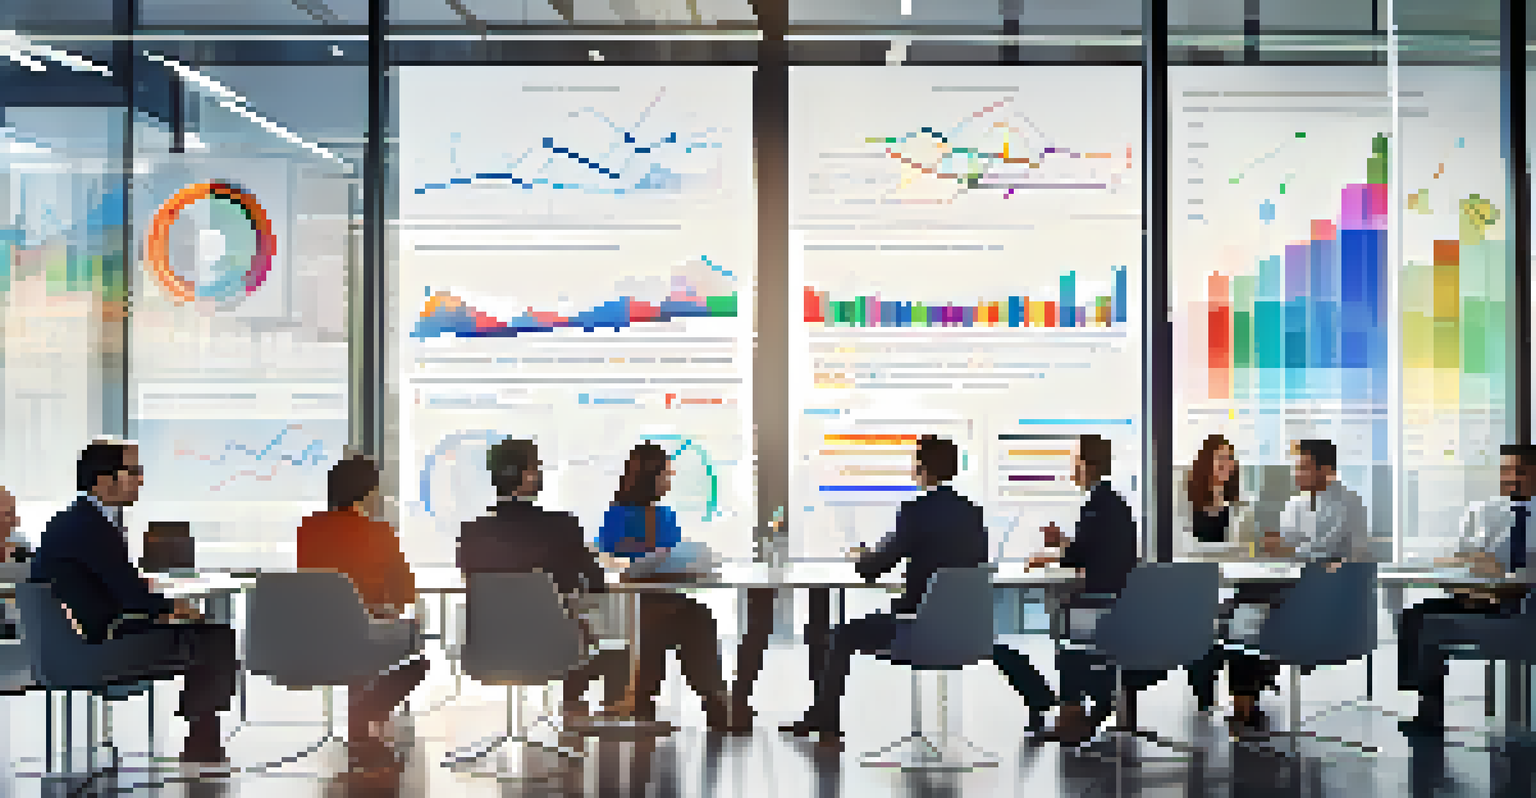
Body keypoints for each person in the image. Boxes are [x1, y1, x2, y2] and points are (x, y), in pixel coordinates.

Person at [30, 440, 237, 764]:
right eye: (133, 472)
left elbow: (116, 589)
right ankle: (203, 742)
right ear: (102, 481)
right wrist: (171, 609)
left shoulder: (76, 520)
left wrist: (158, 609)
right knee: (215, 637)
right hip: (99, 646)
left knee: (205, 635)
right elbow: (130, 595)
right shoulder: (91, 525)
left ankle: (202, 734)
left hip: (82, 640)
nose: (140, 480)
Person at [781, 435, 989, 749]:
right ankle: (821, 716)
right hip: (967, 632)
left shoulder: (915, 511)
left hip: (917, 629)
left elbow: (873, 569)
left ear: (922, 469)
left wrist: (862, 557)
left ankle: (826, 721)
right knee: (845, 631)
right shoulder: (972, 513)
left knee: (839, 636)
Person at [992, 434, 1152, 745]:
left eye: (1074, 462)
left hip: (1104, 604)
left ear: (1086, 465)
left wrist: (1055, 551)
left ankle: (1072, 715)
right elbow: (1092, 551)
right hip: (1124, 604)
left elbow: (1081, 555)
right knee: (1068, 614)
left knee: (1066, 623)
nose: (1071, 470)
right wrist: (1063, 545)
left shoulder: (1098, 504)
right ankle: (1085, 707)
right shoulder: (1112, 502)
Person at [456, 437, 630, 718]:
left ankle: (572, 708)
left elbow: (472, 584)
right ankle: (589, 719)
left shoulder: (471, 533)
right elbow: (596, 584)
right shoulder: (562, 526)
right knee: (615, 649)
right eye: (536, 468)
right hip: (553, 648)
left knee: (575, 630)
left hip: (486, 650)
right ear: (526, 476)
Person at [1215, 438, 1370, 733]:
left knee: (1247, 610)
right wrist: (1282, 547)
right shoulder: (1295, 503)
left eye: (1303, 468)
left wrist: (1307, 554)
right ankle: (1246, 698)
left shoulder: (1349, 502)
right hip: (1290, 584)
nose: (1296, 475)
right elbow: (1285, 546)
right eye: (1296, 468)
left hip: (1324, 593)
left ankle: (1246, 697)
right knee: (1241, 606)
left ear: (1326, 470)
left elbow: (1346, 553)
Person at [296, 455, 429, 772]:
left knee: (360, 641)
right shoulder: (378, 533)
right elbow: (405, 592)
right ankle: (363, 712)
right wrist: (390, 607)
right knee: (418, 659)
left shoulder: (308, 529)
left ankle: (360, 724)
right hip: (364, 634)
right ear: (367, 492)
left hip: (315, 638)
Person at [1397, 444, 1536, 736]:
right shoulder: (1482, 512)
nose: (1511, 477)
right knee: (1416, 617)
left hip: (1526, 605)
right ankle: (1427, 706)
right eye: (1506, 470)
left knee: (1432, 624)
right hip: (1480, 600)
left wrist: (1508, 575)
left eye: (1519, 471)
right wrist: (1469, 585)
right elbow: (1459, 561)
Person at [594, 443, 733, 731]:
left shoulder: (665, 515)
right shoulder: (616, 515)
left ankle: (709, 697)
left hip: (663, 597)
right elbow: (611, 560)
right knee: (666, 618)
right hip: (630, 601)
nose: (668, 481)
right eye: (665, 474)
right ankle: (711, 701)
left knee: (698, 616)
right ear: (649, 475)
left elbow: (671, 555)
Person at [1182, 435, 1256, 713]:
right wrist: (1223, 550)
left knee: (1246, 617)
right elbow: (1182, 545)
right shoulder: (1185, 497)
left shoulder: (1240, 504)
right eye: (1220, 458)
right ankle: (1205, 691)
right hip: (1193, 583)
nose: (1227, 464)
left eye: (1229, 458)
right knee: (1201, 619)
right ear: (1206, 463)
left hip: (1229, 582)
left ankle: (1244, 697)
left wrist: (1212, 551)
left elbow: (1243, 552)